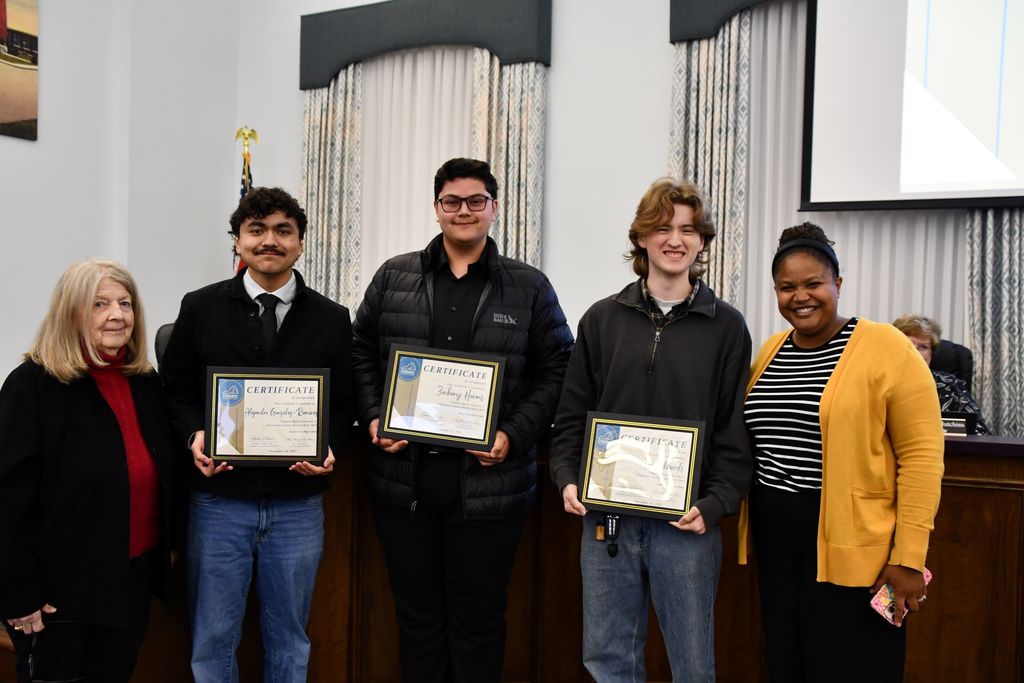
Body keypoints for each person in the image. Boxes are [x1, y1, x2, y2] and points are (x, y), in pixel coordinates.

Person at [351, 157, 573, 682]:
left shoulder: (529, 287)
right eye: (452, 201)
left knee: (479, 623)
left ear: (494, 208)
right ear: (436, 209)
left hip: (488, 488)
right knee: (417, 620)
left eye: (476, 201)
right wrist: (373, 416)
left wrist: (513, 435)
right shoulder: (394, 276)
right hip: (403, 485)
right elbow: (360, 351)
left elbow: (558, 371)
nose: (464, 211)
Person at [548, 178, 753, 681]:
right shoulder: (600, 319)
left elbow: (733, 429)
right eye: (662, 228)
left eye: (687, 229)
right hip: (606, 519)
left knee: (692, 664)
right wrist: (567, 478)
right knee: (607, 659)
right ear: (641, 238)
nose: (674, 239)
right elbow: (572, 416)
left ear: (702, 241)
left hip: (687, 524)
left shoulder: (727, 327)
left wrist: (715, 504)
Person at [160, 187, 354, 682]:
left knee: (290, 638)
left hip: (297, 504)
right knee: (213, 639)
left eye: (283, 231)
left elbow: (346, 402)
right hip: (219, 501)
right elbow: (175, 391)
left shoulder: (332, 318)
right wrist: (194, 438)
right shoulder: (200, 307)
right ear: (238, 242)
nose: (270, 240)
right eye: (257, 230)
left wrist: (330, 448)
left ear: (301, 243)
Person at [740, 223, 945, 682]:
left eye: (813, 283)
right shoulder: (771, 351)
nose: (801, 296)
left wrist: (910, 557)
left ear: (838, 284)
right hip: (777, 541)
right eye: (787, 287)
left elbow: (922, 458)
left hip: (858, 550)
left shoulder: (887, 347)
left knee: (855, 665)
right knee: (788, 662)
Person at [0, 260, 178, 682]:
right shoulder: (32, 386)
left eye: (125, 303)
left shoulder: (144, 382)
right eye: (99, 304)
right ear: (71, 312)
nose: (117, 315)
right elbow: (7, 499)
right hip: (58, 591)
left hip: (129, 579)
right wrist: (17, 594)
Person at [893, 313, 991, 434]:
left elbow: (980, 431)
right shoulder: (880, 382)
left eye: (923, 347)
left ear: (932, 353)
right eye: (908, 345)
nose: (916, 353)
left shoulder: (948, 384)